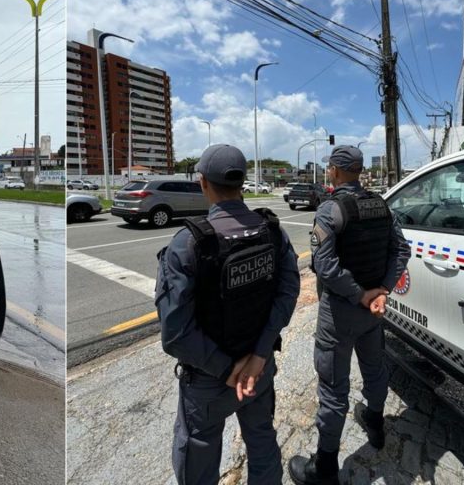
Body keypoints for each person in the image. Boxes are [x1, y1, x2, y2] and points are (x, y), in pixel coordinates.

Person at [155, 144, 300, 485]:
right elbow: (288, 293)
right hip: (259, 370)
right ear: (243, 184)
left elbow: (175, 333)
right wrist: (258, 356)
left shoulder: (186, 245)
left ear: (202, 183)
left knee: (199, 458)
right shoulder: (272, 231)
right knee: (263, 440)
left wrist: (228, 369)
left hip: (208, 379)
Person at [289, 146, 410, 485]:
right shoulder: (381, 205)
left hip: (341, 313)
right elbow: (402, 248)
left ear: (337, 171)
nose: (328, 171)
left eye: (329, 167)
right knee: (375, 369)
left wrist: (360, 294)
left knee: (333, 388)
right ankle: (375, 424)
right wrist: (382, 289)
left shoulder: (331, 210)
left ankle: (324, 467)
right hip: (373, 311)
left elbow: (324, 266)